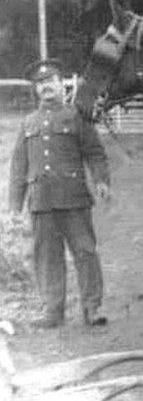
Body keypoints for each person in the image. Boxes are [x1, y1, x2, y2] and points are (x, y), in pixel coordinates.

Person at [6, 59, 111, 328]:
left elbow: (95, 153)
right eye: (40, 84)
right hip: (41, 202)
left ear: (60, 83)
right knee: (47, 258)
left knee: (86, 252)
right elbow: (19, 166)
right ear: (36, 90)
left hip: (74, 200)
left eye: (50, 81)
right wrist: (14, 206)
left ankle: (92, 308)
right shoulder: (28, 122)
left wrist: (101, 180)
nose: (45, 87)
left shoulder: (77, 117)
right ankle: (53, 311)